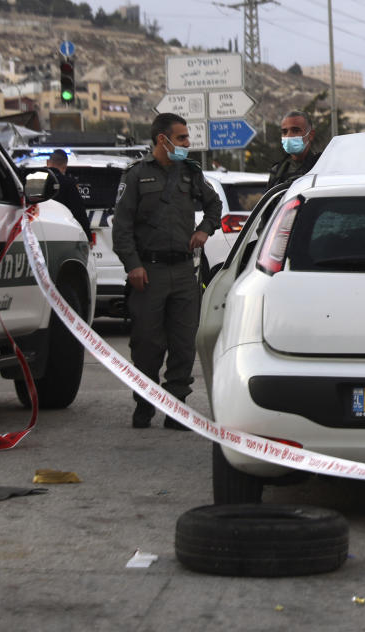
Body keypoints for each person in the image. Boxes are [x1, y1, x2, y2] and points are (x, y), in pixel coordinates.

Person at [112, 113, 222, 430]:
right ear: (163, 139)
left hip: (184, 272)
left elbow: (214, 206)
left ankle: (176, 408)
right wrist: (132, 265)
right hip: (150, 272)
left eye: (188, 137)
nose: (187, 144)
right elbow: (121, 228)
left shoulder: (190, 174)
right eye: (182, 138)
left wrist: (204, 229)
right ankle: (145, 404)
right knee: (147, 344)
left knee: (183, 342)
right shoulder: (136, 176)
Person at [266, 110, 322, 188]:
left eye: (295, 131)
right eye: (285, 132)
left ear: (310, 135)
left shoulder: (322, 166)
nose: (289, 136)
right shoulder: (278, 171)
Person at [46, 149, 92, 241]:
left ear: (47, 162)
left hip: (37, 230)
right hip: (61, 232)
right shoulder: (69, 184)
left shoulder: (34, 180)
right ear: (65, 166)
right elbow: (78, 211)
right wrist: (87, 235)